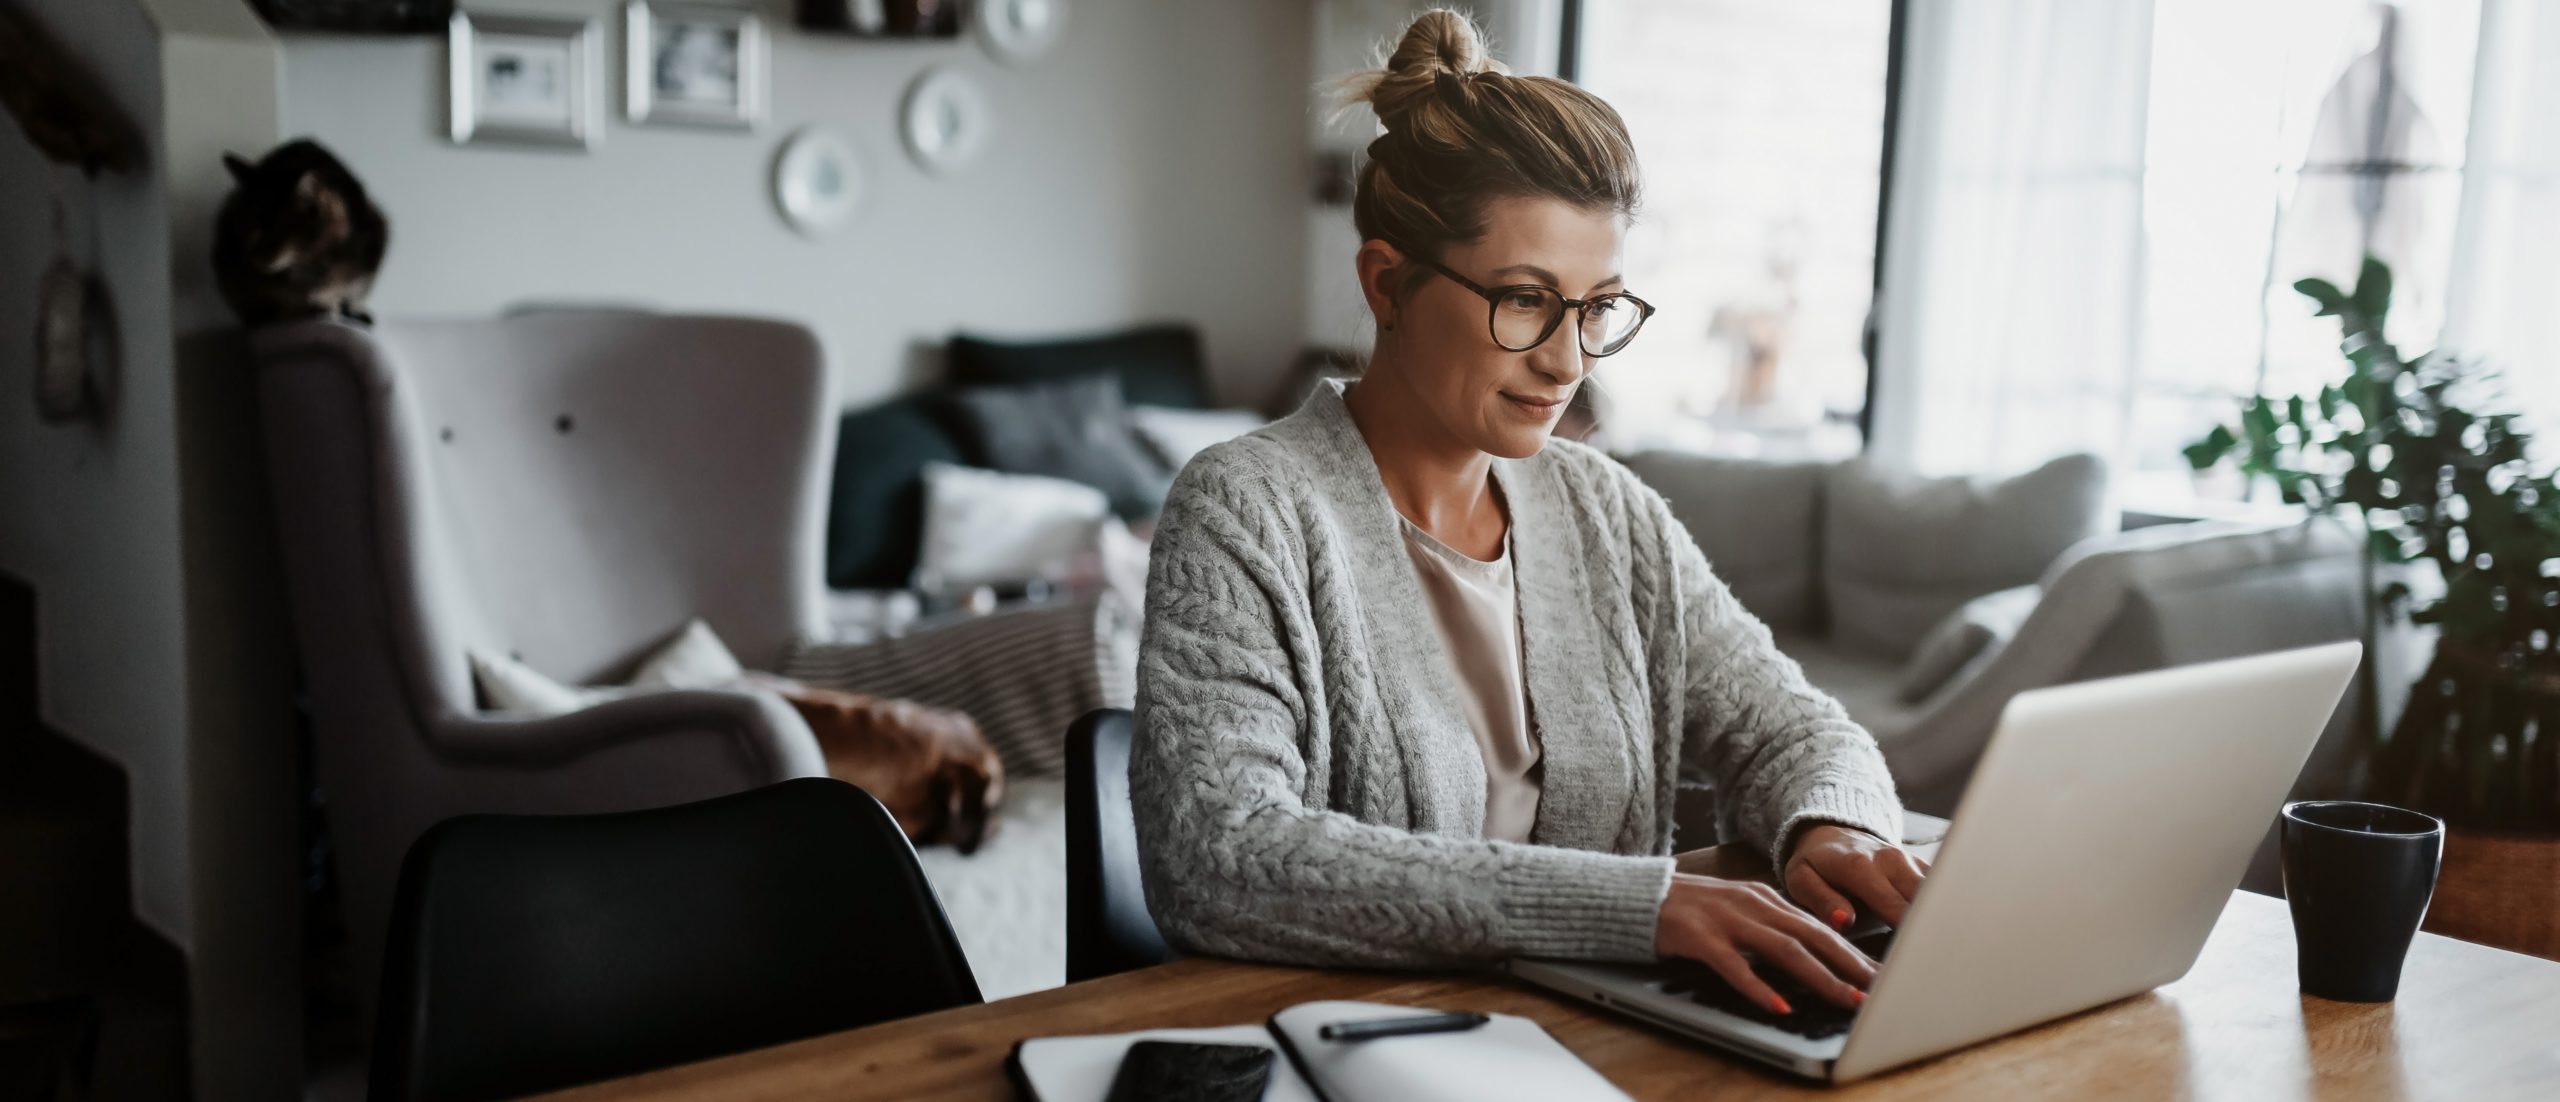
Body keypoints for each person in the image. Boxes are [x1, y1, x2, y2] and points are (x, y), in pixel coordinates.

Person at [1128, 7, 1926, 1015]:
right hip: (1354, 1053)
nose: (1567, 359)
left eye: (1597, 308)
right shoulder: (1247, 510)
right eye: (1523, 299)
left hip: (1597, 1041)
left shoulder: (1606, 510)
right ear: (1387, 282)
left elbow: (1792, 728)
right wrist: (1638, 907)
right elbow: (1222, 855)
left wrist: (1834, 826)